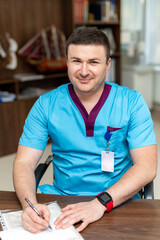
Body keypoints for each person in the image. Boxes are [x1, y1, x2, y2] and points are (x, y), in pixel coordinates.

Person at [13, 26, 157, 234]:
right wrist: (29, 206)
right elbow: (24, 162)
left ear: (108, 64)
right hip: (64, 202)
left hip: (117, 201)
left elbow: (147, 166)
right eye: (76, 61)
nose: (83, 71)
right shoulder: (46, 104)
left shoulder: (131, 102)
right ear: (67, 62)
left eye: (93, 62)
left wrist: (100, 203)